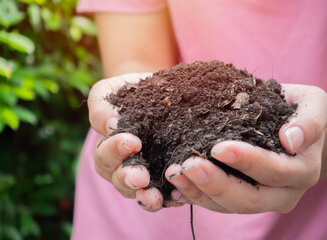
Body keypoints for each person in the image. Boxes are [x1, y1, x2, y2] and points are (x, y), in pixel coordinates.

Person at [72, 1, 327, 239]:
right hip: (137, 216)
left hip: (306, 221)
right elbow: (133, 57)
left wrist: (312, 140)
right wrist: (131, 108)